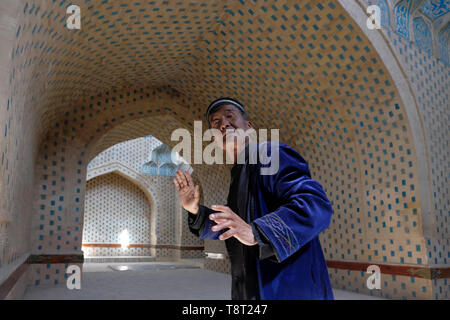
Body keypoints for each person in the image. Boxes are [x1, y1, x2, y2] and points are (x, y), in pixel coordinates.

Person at [173, 97, 334, 300]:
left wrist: (258, 232)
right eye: (215, 123)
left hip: (289, 288)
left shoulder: (270, 154)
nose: (223, 124)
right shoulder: (239, 174)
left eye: (230, 116)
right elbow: (232, 227)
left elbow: (316, 204)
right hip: (249, 289)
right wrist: (194, 209)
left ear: (249, 127)